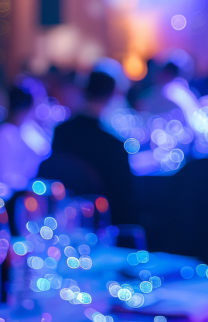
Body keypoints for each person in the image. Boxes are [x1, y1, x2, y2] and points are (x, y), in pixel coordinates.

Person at [40, 71, 136, 223]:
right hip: (100, 224)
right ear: (112, 96)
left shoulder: (61, 132)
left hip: (58, 219)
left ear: (84, 91)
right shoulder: (114, 146)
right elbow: (124, 206)